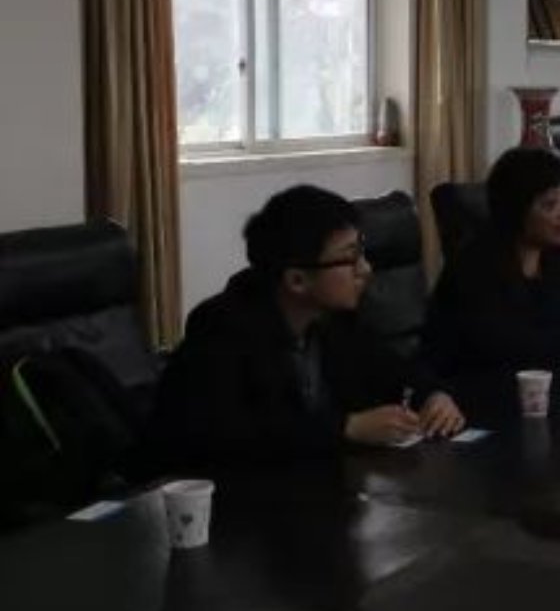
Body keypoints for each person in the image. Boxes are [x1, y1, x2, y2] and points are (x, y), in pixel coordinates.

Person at [148, 185, 465, 470]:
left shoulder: (336, 319)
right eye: (350, 259)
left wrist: (433, 395)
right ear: (297, 280)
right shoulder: (222, 328)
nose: (366, 270)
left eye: (362, 252)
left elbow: (394, 369)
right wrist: (347, 427)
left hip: (318, 486)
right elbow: (232, 436)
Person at [424, 148, 560, 378]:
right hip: (484, 389)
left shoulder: (558, 260)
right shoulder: (474, 268)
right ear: (516, 209)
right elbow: (505, 346)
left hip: (557, 387)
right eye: (550, 204)